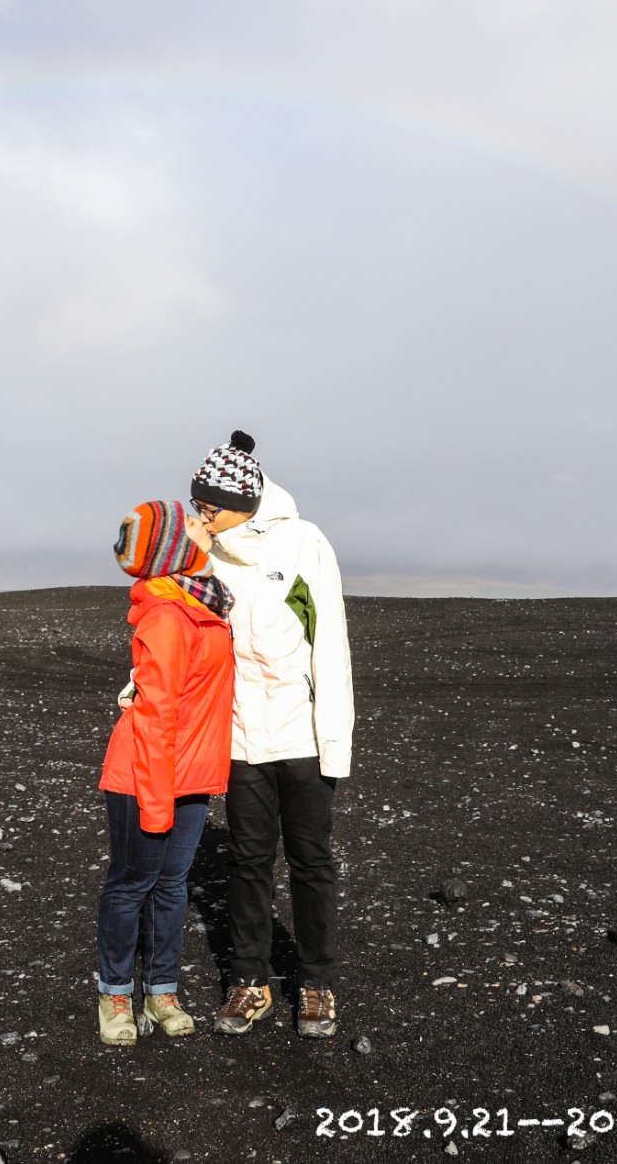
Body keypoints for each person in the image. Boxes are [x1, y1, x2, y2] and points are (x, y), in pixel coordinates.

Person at [193, 431, 354, 1040]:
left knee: (312, 860)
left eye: (211, 507)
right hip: (239, 739)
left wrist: (334, 740)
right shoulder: (203, 556)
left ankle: (316, 984)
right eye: (199, 508)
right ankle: (250, 980)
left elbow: (329, 645)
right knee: (248, 861)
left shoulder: (304, 542)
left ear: (244, 501)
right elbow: (188, 631)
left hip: (303, 737)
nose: (203, 518)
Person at [95, 499, 235, 1046]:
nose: (208, 527)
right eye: (197, 524)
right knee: (132, 885)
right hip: (145, 776)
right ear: (178, 545)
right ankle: (114, 993)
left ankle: (162, 990)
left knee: (173, 886)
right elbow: (155, 720)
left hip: (191, 773)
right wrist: (156, 804)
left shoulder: (205, 604)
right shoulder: (167, 616)